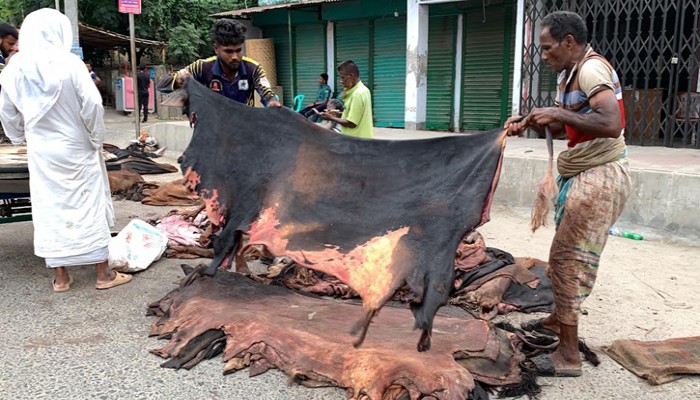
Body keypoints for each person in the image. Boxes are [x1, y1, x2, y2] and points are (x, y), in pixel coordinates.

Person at [504, 11, 631, 377]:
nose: (543, 56)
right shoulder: (568, 76)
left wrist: (556, 112)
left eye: (547, 48)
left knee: (568, 261)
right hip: (585, 170)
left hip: (601, 175)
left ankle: (569, 358)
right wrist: (534, 120)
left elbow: (610, 123)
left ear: (569, 42)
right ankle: (559, 320)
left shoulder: (591, 70)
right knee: (563, 254)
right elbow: (567, 128)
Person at [0, 8, 132, 292]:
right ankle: (102, 275)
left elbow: (7, 114)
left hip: (41, 151)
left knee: (50, 208)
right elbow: (93, 105)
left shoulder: (14, 69)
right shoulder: (70, 64)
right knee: (89, 205)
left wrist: (19, 137)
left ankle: (61, 277)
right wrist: (95, 138)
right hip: (77, 147)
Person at [158, 19, 281, 108]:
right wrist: (180, 80)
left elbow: (266, 92)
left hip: (243, 128)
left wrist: (272, 101)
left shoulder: (253, 68)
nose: (235, 57)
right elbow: (162, 85)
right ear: (216, 49)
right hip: (211, 129)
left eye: (238, 51)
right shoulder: (202, 67)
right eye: (228, 51)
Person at [318, 60, 373, 139]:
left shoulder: (357, 94)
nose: (341, 81)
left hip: (356, 141)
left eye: (342, 77)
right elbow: (356, 115)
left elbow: (352, 123)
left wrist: (330, 118)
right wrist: (338, 114)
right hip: (363, 138)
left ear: (351, 76)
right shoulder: (364, 90)